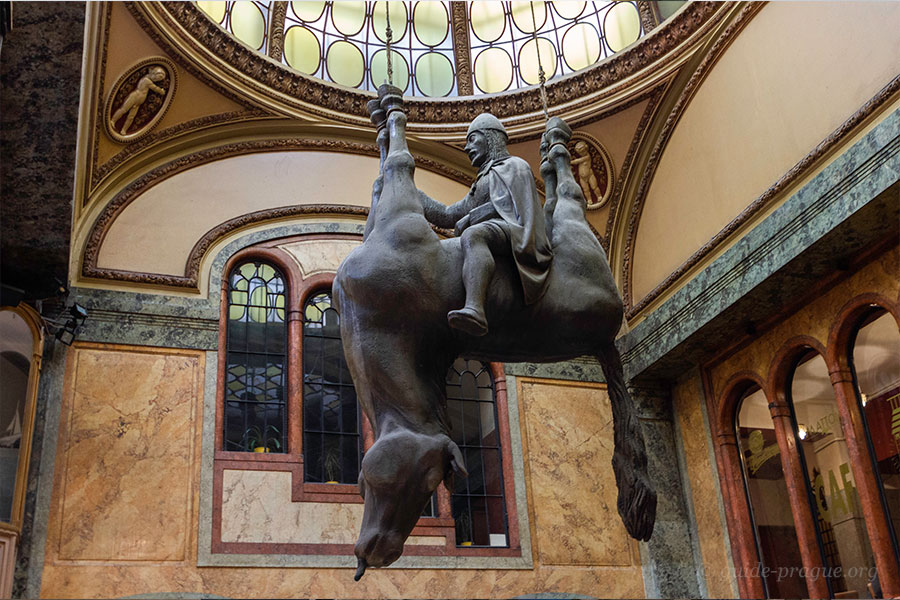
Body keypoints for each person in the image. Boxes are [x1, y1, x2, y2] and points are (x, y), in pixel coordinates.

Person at [419, 113, 552, 336]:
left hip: (516, 230)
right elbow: (448, 214)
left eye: (472, 139)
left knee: (474, 235)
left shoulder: (515, 166)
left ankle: (475, 308)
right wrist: (417, 197)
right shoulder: (483, 180)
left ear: (490, 138)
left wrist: (472, 218)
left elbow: (515, 208)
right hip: (498, 230)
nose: (467, 147)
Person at [111, 66, 167, 135]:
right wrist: (161, 91)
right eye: (156, 78)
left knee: (131, 117)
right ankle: (113, 121)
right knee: (124, 109)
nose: (156, 80)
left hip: (138, 102)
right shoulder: (146, 80)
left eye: (158, 80)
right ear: (153, 74)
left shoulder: (149, 80)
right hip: (134, 97)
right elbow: (155, 88)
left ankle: (124, 130)